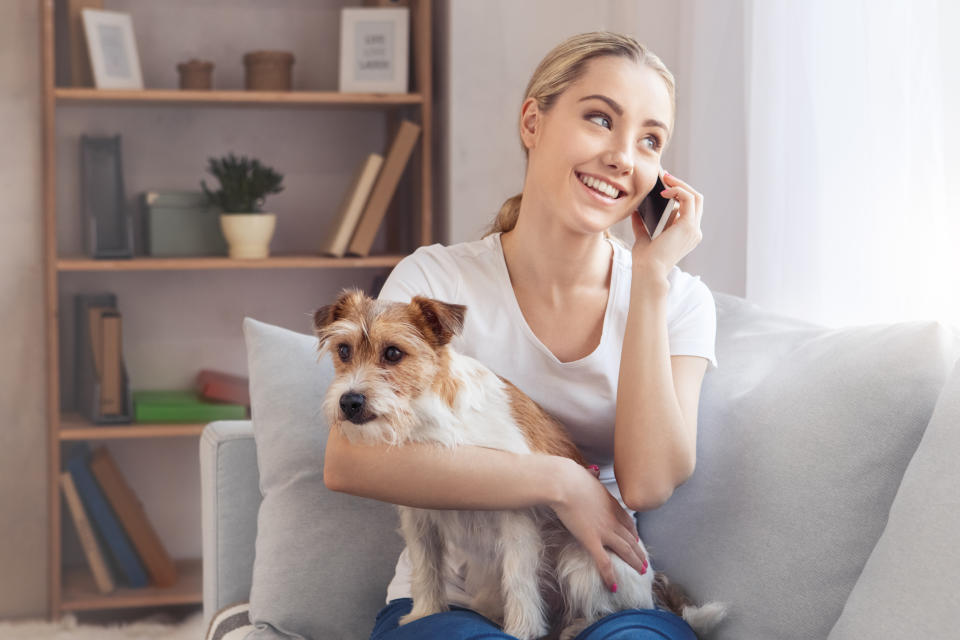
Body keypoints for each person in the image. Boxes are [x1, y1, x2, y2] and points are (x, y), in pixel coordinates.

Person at [323, 31, 716, 640]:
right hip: (451, 603)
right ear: (533, 121)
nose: (622, 156)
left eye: (649, 140)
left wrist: (649, 278)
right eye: (599, 119)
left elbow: (646, 483)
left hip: (602, 594)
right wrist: (561, 481)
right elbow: (350, 462)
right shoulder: (435, 277)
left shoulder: (680, 299)